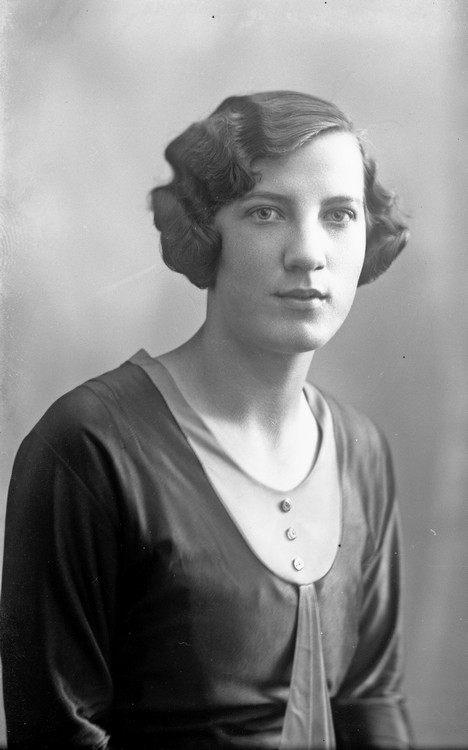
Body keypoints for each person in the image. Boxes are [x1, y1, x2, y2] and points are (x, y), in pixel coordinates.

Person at [1, 91, 413, 749]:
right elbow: (58, 732)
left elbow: (372, 701)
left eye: (339, 215)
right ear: (203, 230)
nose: (308, 254)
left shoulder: (360, 450)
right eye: (266, 212)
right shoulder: (89, 445)